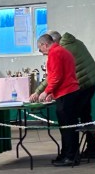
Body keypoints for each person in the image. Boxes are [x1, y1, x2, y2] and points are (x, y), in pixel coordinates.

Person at [30, 33, 82, 166]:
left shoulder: (55, 53)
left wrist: (46, 92)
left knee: (67, 127)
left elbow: (56, 76)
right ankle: (67, 154)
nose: (41, 52)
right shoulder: (62, 51)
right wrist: (53, 94)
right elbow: (62, 75)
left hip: (66, 94)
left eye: (40, 48)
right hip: (69, 92)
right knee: (68, 127)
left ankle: (69, 157)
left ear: (44, 44)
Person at [57, 32, 95, 160]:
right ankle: (91, 149)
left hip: (81, 85)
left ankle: (72, 153)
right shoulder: (77, 42)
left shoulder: (62, 50)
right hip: (90, 82)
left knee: (71, 118)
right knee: (86, 117)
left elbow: (56, 75)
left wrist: (39, 92)